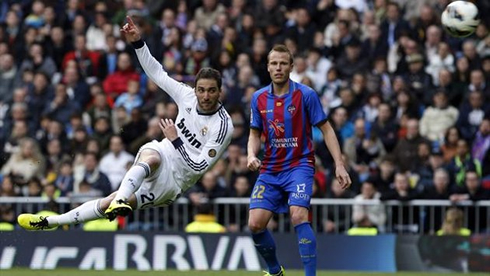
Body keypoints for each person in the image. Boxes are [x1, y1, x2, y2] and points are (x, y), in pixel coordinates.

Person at [17, 16, 233, 231]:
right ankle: (52, 221)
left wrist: (176, 140)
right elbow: (157, 73)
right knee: (152, 158)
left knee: (107, 202)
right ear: (195, 89)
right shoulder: (186, 96)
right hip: (163, 152)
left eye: (211, 90)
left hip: (175, 181)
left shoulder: (222, 126)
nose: (205, 96)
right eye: (201, 90)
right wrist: (138, 43)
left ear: (219, 92)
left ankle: (75, 215)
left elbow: (199, 167)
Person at [247, 44, 351, 276]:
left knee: (298, 214)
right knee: (255, 224)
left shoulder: (306, 95)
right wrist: (251, 154)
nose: (278, 68)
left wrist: (339, 164)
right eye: (274, 63)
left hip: (299, 166)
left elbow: (327, 129)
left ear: (291, 67)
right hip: (270, 170)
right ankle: (275, 271)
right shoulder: (258, 98)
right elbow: (254, 133)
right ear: (268, 67)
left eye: (283, 63)